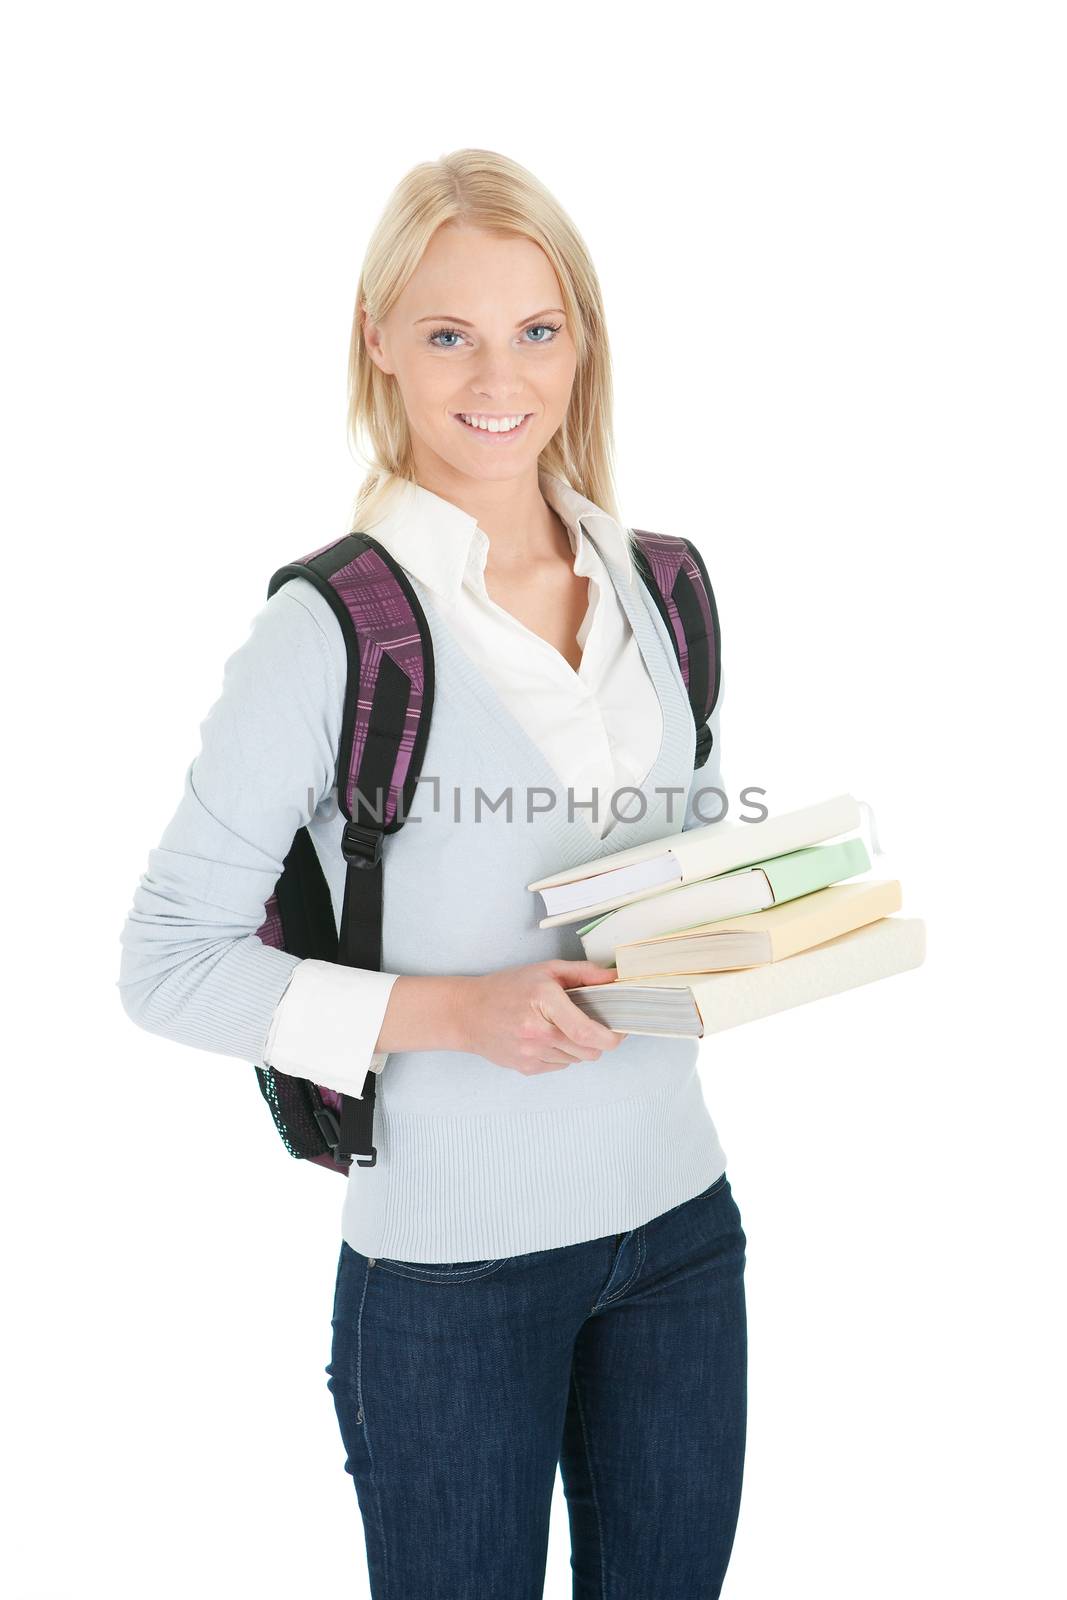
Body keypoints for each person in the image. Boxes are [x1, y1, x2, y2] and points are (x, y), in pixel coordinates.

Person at [118, 147, 747, 1599]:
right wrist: (461, 1015)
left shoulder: (666, 587)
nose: (498, 374)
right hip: (453, 1281)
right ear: (379, 339)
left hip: (681, 1238)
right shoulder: (330, 630)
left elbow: (685, 865)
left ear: (582, 342)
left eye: (538, 328)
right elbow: (168, 959)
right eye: (450, 331)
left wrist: (769, 919)